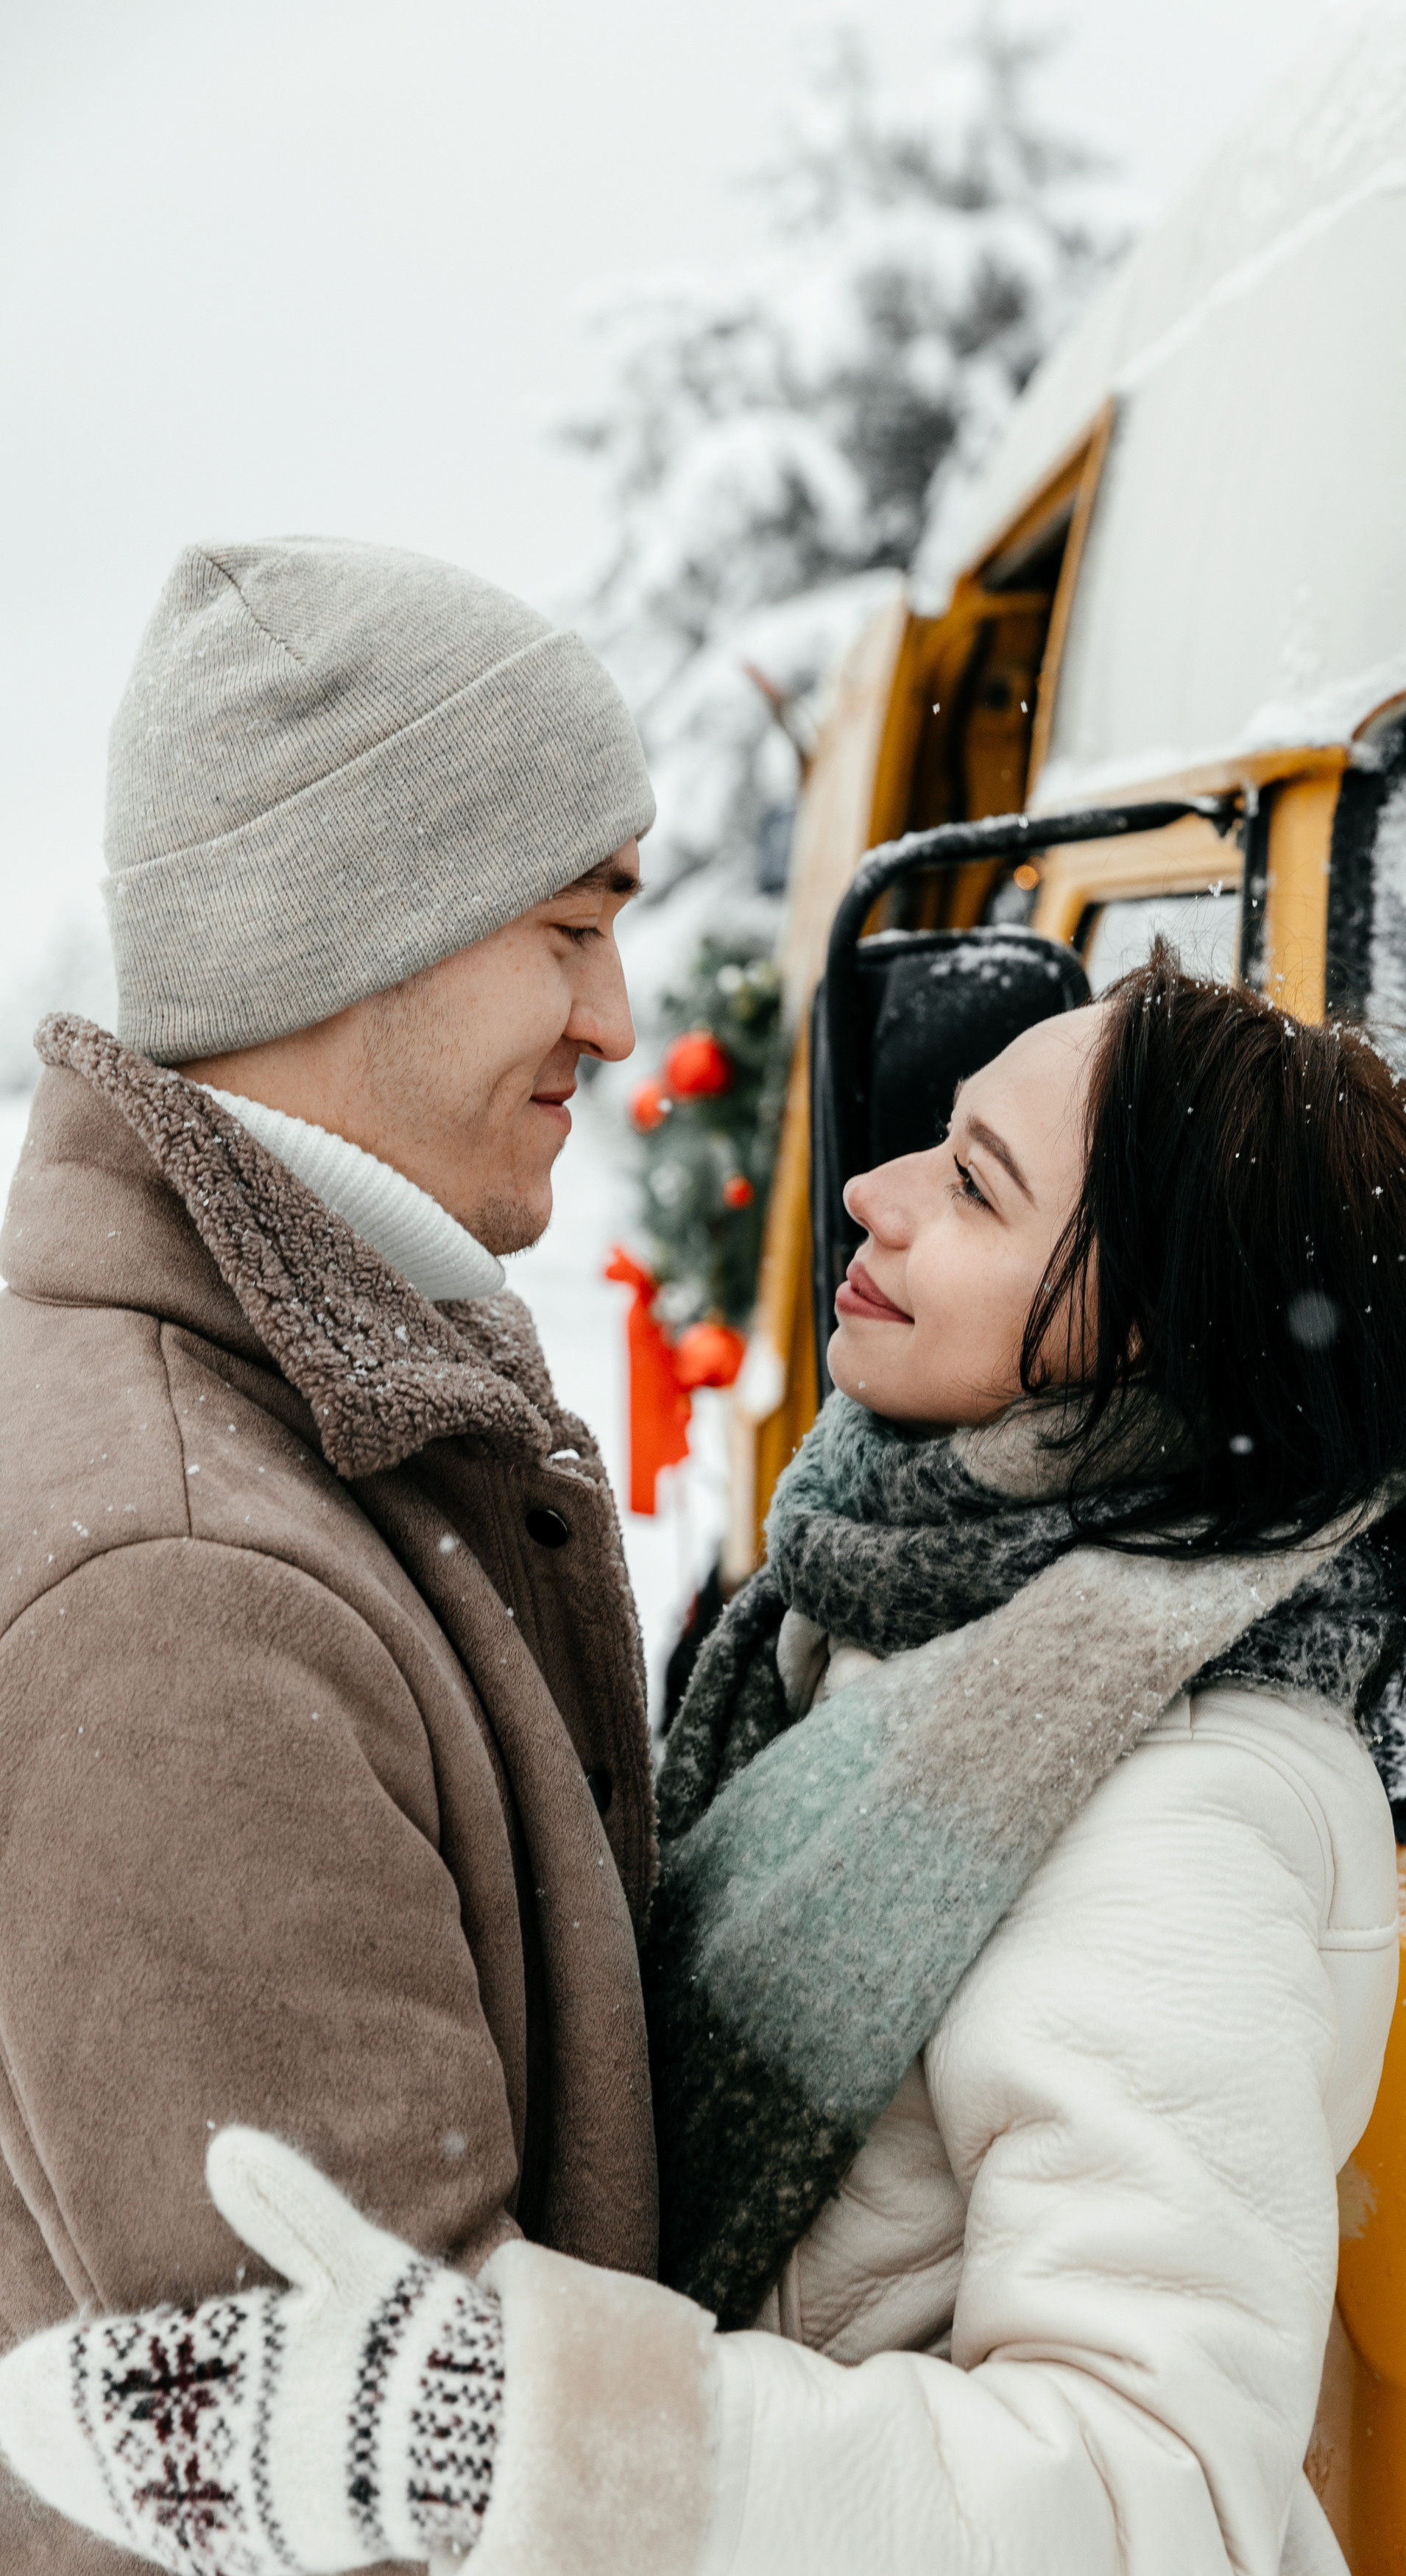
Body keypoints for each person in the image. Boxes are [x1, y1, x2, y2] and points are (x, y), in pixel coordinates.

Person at [0, 946, 1406, 2576]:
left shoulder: (1177, 1809)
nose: (874, 1193)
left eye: (976, 1189)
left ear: (1154, 1340)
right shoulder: (907, 1637)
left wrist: (530, 2438)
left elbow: (1152, 2499)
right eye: (935, 1142)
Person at [0, 537, 663, 2574]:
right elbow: (389, 2499)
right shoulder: (192, 1586)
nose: (617, 1017)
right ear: (362, 929)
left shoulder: (317, 1430)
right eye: (571, 929)